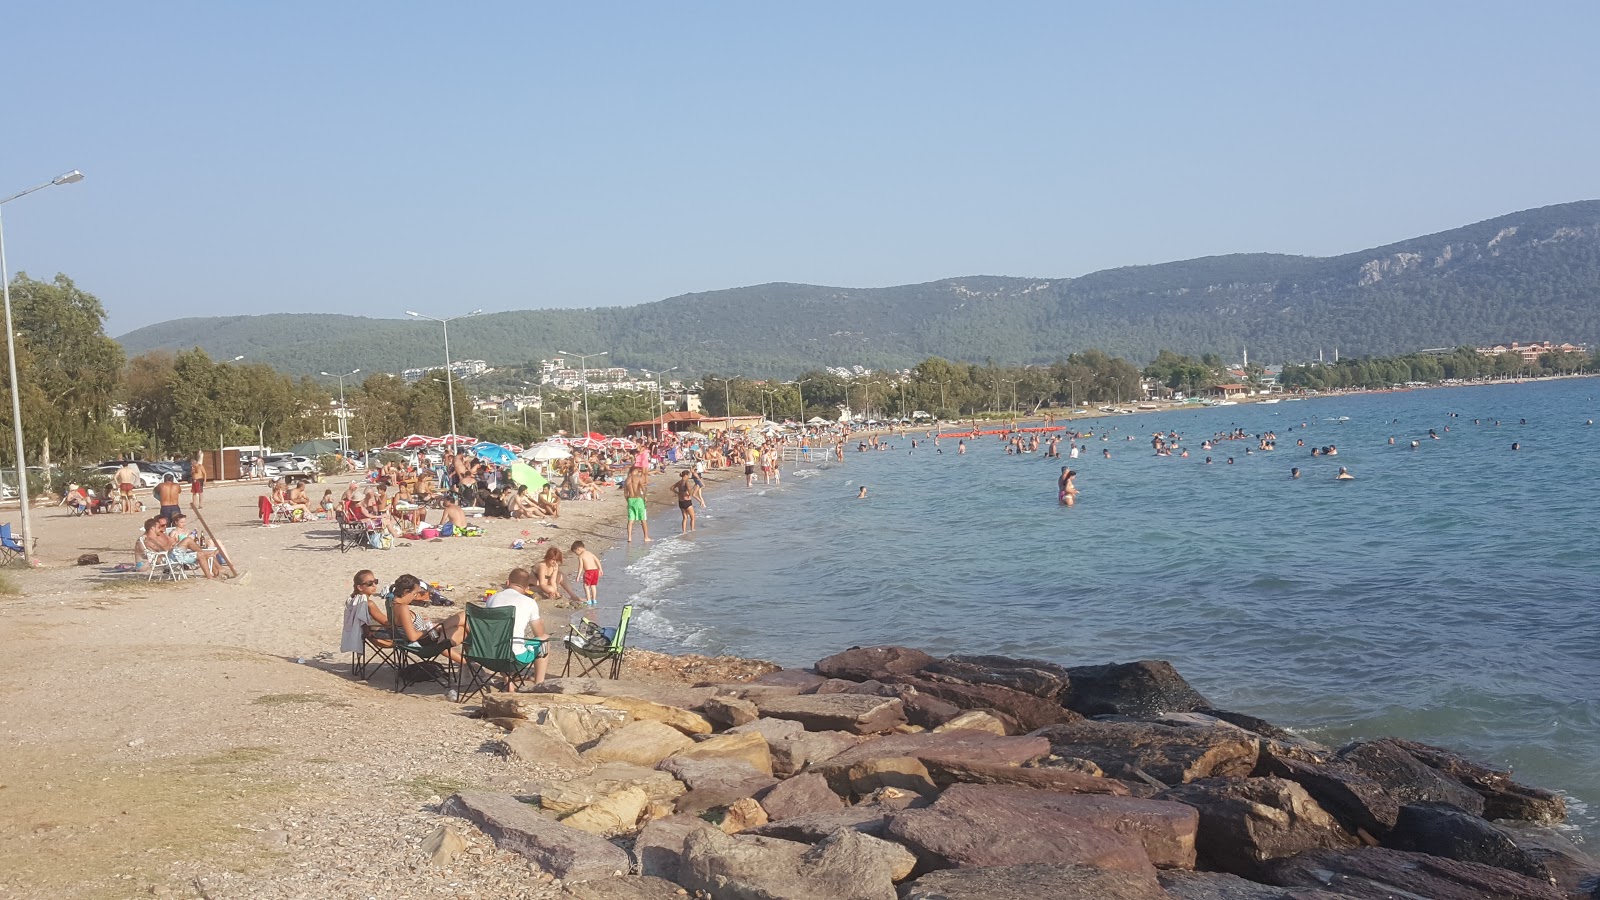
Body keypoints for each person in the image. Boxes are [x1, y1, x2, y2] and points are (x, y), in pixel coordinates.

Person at [484, 568, 550, 687]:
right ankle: (539, 684)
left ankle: (508, 683)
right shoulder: (529, 603)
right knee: (544, 640)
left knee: (500, 640)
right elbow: (539, 634)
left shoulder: (493, 598)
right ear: (527, 589)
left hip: (489, 654)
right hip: (514, 657)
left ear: (507, 582)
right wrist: (541, 623)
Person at [390, 573, 467, 663]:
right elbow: (413, 636)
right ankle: (469, 662)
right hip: (427, 640)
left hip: (429, 636)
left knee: (464, 622)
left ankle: (466, 663)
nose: (415, 597)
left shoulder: (393, 604)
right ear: (405, 592)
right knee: (464, 620)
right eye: (414, 594)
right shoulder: (402, 608)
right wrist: (429, 629)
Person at [570, 541, 602, 607]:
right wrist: (600, 569)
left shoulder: (581, 556)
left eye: (576, 552)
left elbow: (581, 567)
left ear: (578, 549)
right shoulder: (590, 553)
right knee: (593, 586)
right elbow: (597, 560)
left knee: (586, 586)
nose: (576, 554)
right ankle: (594, 599)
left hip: (589, 572)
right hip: (595, 571)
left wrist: (578, 576)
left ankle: (588, 600)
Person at [623, 465, 651, 543]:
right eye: (638, 471)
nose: (639, 473)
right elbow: (643, 489)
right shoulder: (638, 478)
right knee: (643, 519)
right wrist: (645, 497)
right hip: (638, 499)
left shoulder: (627, 480)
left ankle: (629, 538)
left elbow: (625, 493)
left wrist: (628, 501)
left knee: (630, 520)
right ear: (635, 471)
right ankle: (646, 537)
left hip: (630, 499)